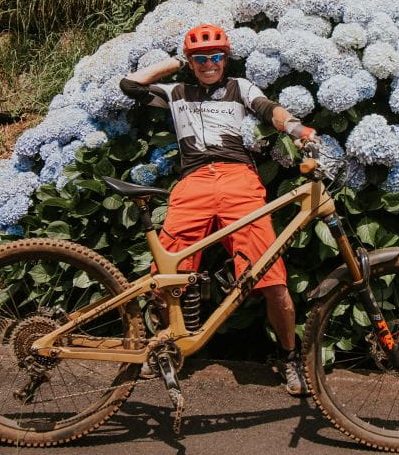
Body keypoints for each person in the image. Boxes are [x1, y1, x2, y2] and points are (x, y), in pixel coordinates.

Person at [119, 24, 318, 396]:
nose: (209, 64)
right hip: (193, 181)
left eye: (215, 57)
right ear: (191, 61)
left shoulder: (239, 87)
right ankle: (168, 348)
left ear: (226, 58)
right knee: (166, 276)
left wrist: (296, 128)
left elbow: (269, 110)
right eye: (200, 58)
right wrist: (176, 62)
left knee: (271, 277)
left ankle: (289, 358)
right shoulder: (176, 92)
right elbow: (130, 86)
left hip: (238, 179)